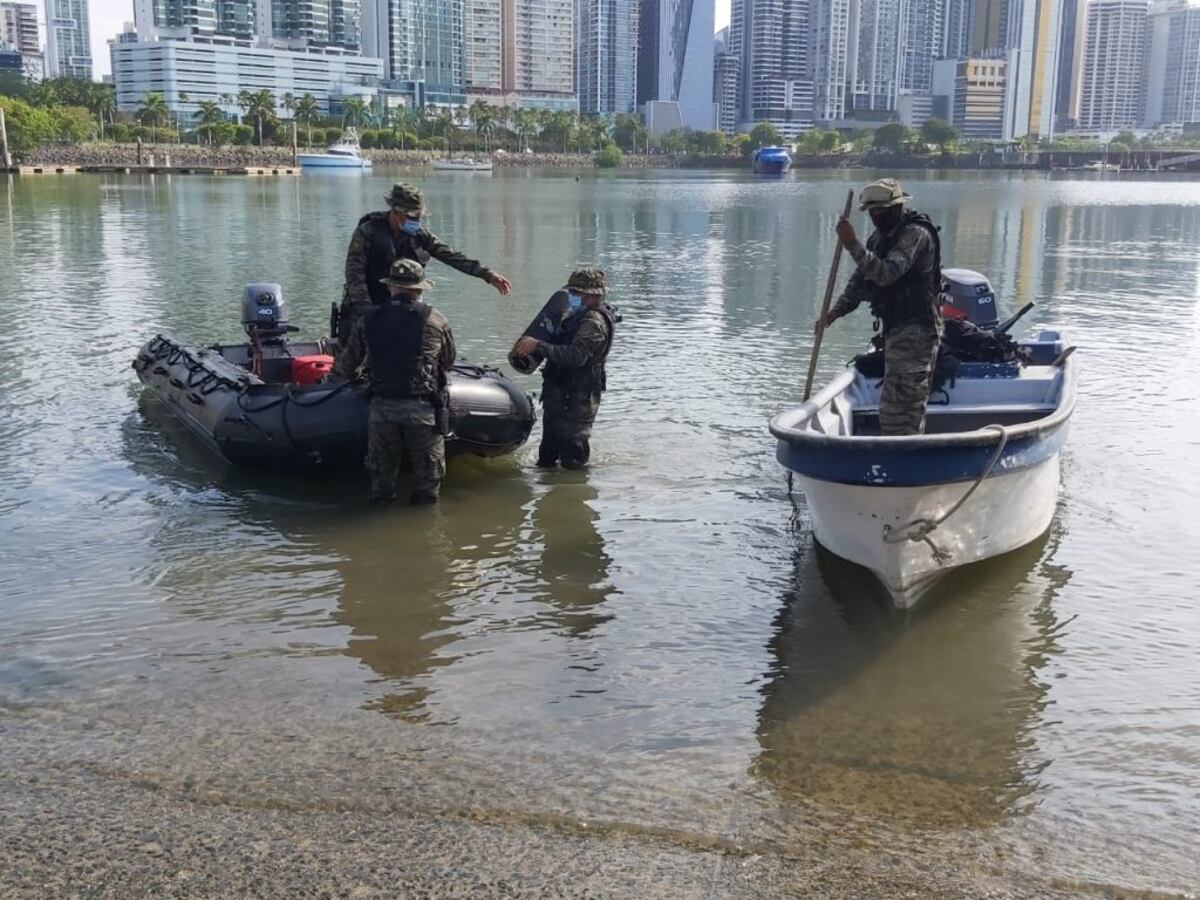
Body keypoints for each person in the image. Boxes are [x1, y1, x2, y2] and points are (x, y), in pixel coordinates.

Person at [818, 178, 943, 436]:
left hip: (917, 332)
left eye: (881, 211)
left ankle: (906, 464)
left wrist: (852, 244)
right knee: (893, 408)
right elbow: (860, 281)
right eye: (873, 212)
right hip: (896, 331)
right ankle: (900, 459)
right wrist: (833, 314)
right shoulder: (880, 238)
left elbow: (887, 273)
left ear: (896, 207)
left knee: (901, 409)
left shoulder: (915, 235)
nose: (877, 217)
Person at [338, 182, 511, 359]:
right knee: (356, 360)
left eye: (418, 217)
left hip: (403, 308)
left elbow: (451, 256)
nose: (416, 221)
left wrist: (487, 274)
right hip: (366, 305)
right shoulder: (367, 232)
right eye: (411, 216)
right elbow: (354, 277)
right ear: (396, 212)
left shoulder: (420, 236)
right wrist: (370, 314)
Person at [334, 258, 456, 506]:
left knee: (381, 489)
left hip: (382, 412)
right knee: (427, 491)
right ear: (420, 289)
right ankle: (426, 534)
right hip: (422, 413)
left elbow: (347, 367)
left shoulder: (367, 320)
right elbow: (448, 361)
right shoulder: (436, 320)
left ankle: (380, 526)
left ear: (391, 287)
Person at [513, 267, 616, 469]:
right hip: (560, 395)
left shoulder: (593, 322)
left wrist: (538, 346)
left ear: (590, 295)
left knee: (573, 462)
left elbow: (576, 356)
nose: (571, 297)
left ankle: (573, 497)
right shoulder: (576, 316)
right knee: (546, 459)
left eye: (576, 293)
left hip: (577, 399)